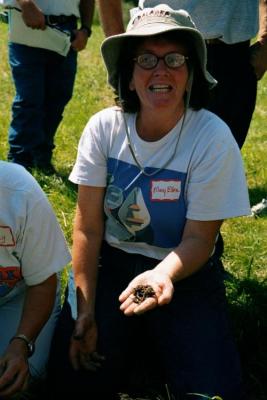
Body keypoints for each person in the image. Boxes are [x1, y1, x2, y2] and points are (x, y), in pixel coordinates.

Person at [47, 5, 251, 399]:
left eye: (175, 58)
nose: (161, 70)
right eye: (146, 59)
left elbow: (199, 241)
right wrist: (85, 309)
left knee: (212, 390)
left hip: (183, 269)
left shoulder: (212, 137)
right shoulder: (103, 129)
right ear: (128, 72)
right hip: (111, 263)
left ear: (192, 72)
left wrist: (163, 276)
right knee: (73, 372)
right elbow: (88, 226)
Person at [98, 0, 267, 149]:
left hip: (234, 54)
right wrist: (122, 55)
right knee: (152, 158)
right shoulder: (100, 127)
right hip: (158, 44)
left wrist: (265, 44)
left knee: (221, 155)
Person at [0, 160, 71, 398]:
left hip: (20, 294)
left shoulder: (19, 190)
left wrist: (21, 343)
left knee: (13, 381)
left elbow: (42, 283)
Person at [1, 0, 94, 173]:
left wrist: (86, 29)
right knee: (30, 98)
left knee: (59, 96)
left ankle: (41, 157)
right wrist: (26, 4)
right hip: (26, 25)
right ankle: (19, 162)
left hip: (68, 29)